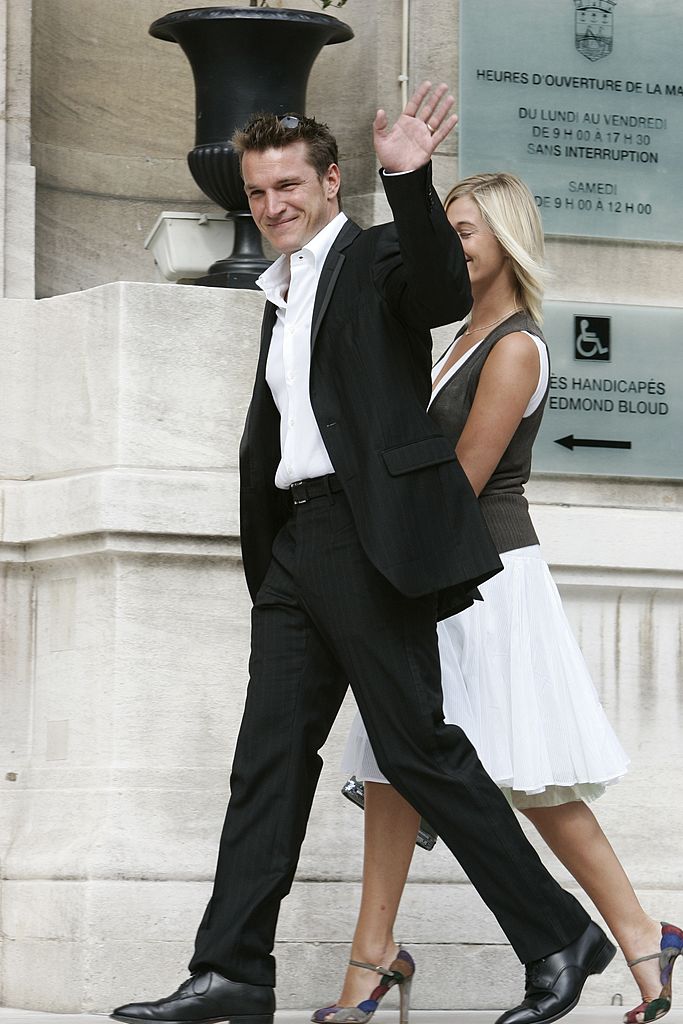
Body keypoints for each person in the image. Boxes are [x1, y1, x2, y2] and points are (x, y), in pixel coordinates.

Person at [111, 87, 616, 1024]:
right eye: (259, 191)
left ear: (330, 180)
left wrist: (409, 178)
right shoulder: (284, 286)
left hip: (365, 539)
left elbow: (434, 289)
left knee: (419, 751)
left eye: (289, 184)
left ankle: (557, 936)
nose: (272, 205)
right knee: (266, 757)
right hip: (299, 544)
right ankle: (231, 971)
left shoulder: (375, 252)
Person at [317, 171, 683, 1024]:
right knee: (392, 766)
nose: (451, 247)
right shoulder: (455, 337)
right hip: (440, 577)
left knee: (528, 781)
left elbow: (459, 483)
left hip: (480, 583)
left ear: (507, 240)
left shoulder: (513, 345)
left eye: (465, 232)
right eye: (444, 233)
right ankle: (371, 960)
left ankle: (635, 933)